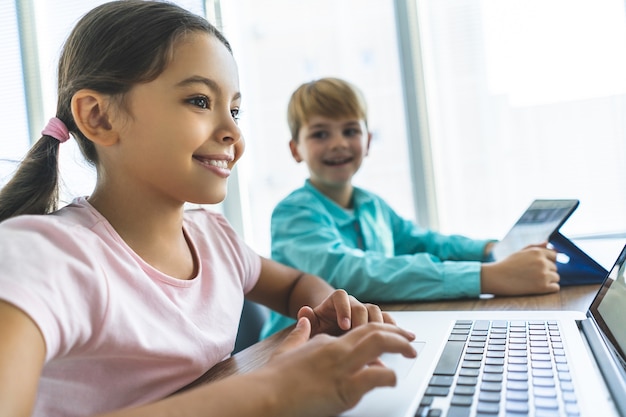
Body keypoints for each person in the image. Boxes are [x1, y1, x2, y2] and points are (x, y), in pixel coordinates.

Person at [0, 3, 418, 417]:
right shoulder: (43, 257)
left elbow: (293, 286)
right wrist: (266, 392)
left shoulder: (214, 238)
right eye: (200, 101)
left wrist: (331, 308)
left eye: (234, 110)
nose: (234, 132)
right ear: (99, 117)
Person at [261, 77, 560, 338]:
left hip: (358, 335)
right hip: (294, 348)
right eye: (320, 134)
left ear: (368, 141)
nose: (338, 143)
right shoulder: (293, 214)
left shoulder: (372, 206)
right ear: (295, 149)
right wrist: (487, 275)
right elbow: (350, 272)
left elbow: (427, 242)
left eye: (350, 131)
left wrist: (492, 250)